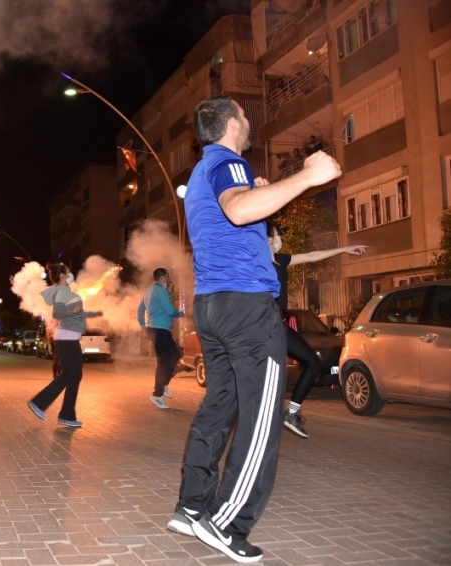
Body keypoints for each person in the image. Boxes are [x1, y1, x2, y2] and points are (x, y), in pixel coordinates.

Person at [165, 97, 341, 563]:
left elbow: (235, 215)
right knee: (263, 418)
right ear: (230, 124)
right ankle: (224, 522)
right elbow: (240, 212)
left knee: (219, 406)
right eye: (244, 115)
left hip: (212, 305)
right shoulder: (229, 161)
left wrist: (261, 190)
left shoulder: (205, 170)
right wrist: (307, 177)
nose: (250, 121)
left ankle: (191, 505)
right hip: (245, 307)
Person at [267, 223, 366, 438]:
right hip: (265, 324)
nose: (280, 239)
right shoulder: (256, 262)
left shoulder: (281, 260)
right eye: (277, 236)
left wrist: (343, 250)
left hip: (279, 324)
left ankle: (291, 413)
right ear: (266, 239)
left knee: (312, 362)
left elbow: (312, 255)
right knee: (273, 374)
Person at [28, 263, 101, 428]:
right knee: (70, 375)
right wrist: (73, 311)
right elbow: (58, 313)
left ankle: (66, 414)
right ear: (62, 276)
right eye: (68, 272)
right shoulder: (62, 291)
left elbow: (76, 312)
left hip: (69, 337)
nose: (71, 275)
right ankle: (41, 403)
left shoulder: (66, 292)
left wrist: (93, 313)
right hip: (67, 338)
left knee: (74, 375)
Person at [137, 267, 184, 409]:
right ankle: (157, 394)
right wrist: (179, 313)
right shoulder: (160, 291)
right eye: (168, 276)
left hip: (154, 329)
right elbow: (169, 310)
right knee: (166, 360)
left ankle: (163, 386)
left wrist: (143, 325)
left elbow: (140, 309)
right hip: (161, 330)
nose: (170, 279)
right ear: (163, 278)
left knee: (172, 356)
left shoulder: (149, 291)